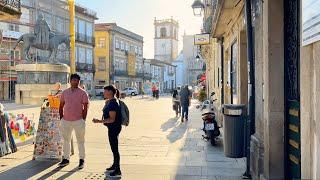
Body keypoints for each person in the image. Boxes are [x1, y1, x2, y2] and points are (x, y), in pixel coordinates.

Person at [58, 74, 89, 169]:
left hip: (78, 121)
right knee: (66, 140)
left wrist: (83, 119)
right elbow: (61, 105)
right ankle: (66, 159)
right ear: (70, 81)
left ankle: (81, 160)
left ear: (79, 82)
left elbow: (85, 107)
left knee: (80, 141)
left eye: (77, 80)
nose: (76, 82)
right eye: (74, 80)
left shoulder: (83, 93)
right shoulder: (65, 93)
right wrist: (61, 118)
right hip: (66, 121)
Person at [92, 85, 122, 178]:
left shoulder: (113, 103)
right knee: (113, 148)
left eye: (105, 91)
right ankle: (114, 165)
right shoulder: (111, 101)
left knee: (115, 149)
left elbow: (112, 119)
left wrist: (99, 121)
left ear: (110, 92)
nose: (103, 93)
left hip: (114, 128)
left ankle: (118, 170)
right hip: (113, 127)